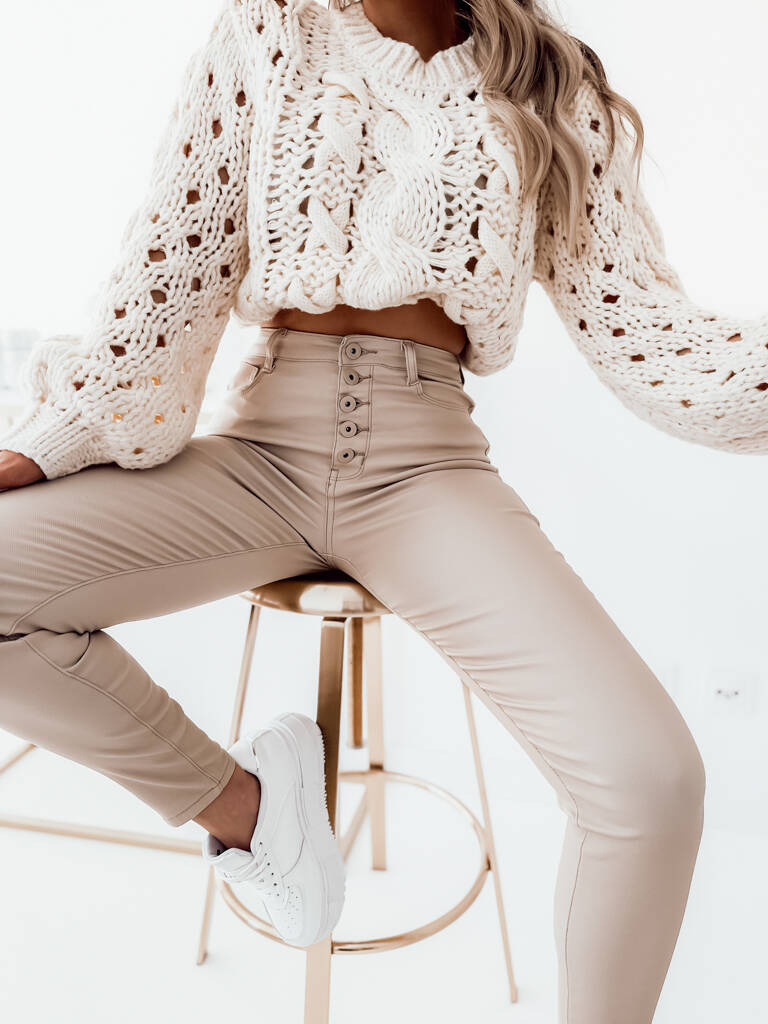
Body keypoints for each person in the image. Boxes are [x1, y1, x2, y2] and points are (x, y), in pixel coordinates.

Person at [1, 0, 765, 1017]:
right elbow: (170, 276)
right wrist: (47, 439)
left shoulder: (551, 83)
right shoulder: (268, 35)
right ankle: (251, 811)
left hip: (426, 469)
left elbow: (653, 333)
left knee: (651, 782)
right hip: (259, 452)